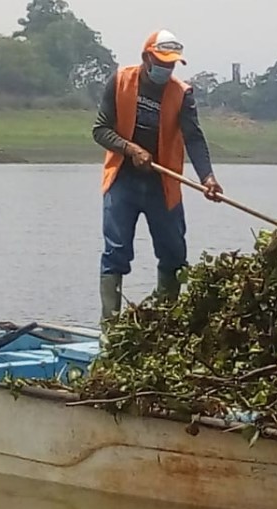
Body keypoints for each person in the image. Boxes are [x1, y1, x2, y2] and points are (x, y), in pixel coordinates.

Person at [92, 29, 223, 322]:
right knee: (116, 252)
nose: (166, 69)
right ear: (146, 57)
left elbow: (194, 138)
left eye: (172, 64)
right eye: (162, 62)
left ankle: (163, 323)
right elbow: (100, 130)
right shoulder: (120, 81)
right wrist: (130, 149)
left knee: (174, 253)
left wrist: (207, 178)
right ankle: (110, 331)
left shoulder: (182, 94)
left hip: (163, 183)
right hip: (122, 180)